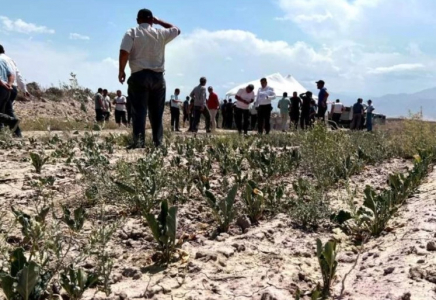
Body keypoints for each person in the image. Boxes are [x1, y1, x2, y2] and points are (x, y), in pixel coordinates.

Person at [119, 8, 180, 148]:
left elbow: (124, 52)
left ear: (137, 20)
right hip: (158, 78)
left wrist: (121, 71)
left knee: (139, 112)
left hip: (139, 76)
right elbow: (176, 29)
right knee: (157, 113)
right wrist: (159, 22)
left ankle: (139, 143)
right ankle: (158, 143)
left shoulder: (132, 32)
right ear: (151, 20)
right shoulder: (160, 33)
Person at [0, 45, 29, 137]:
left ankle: (13, 130)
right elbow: (16, 74)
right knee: (6, 110)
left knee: (5, 111)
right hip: (12, 87)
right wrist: (23, 88)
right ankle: (14, 133)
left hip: (3, 87)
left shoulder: (1, 60)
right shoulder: (10, 60)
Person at [0, 56, 18, 131]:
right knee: (2, 111)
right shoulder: (3, 61)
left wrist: (3, 84)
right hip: (6, 90)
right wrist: (9, 85)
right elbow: (12, 75)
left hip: (1, 87)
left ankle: (10, 120)